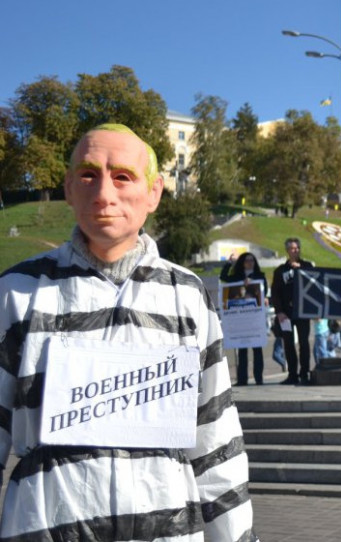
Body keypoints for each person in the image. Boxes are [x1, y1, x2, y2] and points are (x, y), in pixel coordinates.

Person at [0, 124, 255, 540]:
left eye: (123, 176)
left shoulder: (187, 295)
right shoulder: (16, 291)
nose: (104, 193)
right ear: (68, 188)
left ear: (153, 193)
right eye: (88, 175)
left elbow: (215, 440)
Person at [270, 237, 315, 385]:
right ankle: (292, 374)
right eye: (292, 248)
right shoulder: (280, 271)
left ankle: (304, 373)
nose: (295, 251)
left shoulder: (307, 266)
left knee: (304, 343)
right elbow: (275, 293)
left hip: (302, 312)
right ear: (287, 251)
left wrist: (300, 270)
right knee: (288, 344)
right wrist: (279, 312)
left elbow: (315, 284)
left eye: (297, 248)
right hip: (286, 313)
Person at [222, 251, 267, 386]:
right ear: (242, 262)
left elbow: (264, 291)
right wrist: (229, 263)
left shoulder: (260, 276)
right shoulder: (236, 277)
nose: (249, 262)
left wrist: (254, 286)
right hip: (241, 317)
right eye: (247, 260)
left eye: (252, 260)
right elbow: (223, 277)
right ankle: (242, 379)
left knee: (257, 349)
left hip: (254, 317)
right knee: (242, 349)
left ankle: (259, 378)